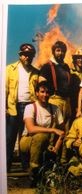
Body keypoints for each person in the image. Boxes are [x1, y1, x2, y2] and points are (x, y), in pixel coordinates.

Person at [19, 81, 65, 186]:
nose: (45, 95)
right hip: (27, 141)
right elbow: (30, 129)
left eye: (47, 92)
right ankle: (33, 171)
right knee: (41, 136)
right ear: (36, 93)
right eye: (42, 92)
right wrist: (53, 130)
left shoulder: (55, 108)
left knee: (43, 140)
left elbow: (62, 132)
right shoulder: (30, 107)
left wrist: (56, 148)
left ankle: (45, 175)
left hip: (45, 143)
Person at [6, 43, 39, 172]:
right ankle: (6, 166)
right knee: (10, 137)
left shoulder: (35, 72)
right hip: (13, 107)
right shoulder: (9, 69)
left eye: (30, 55)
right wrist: (3, 108)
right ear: (20, 55)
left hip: (29, 107)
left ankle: (25, 165)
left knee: (26, 137)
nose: (27, 57)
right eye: (25, 55)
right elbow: (4, 89)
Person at [38, 40, 71, 163]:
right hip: (54, 99)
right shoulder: (47, 66)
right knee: (53, 131)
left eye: (63, 51)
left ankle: (62, 160)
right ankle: (49, 160)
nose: (61, 53)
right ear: (54, 51)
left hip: (66, 101)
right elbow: (41, 84)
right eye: (58, 50)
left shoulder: (66, 67)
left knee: (65, 131)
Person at [69, 47, 82, 124]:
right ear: (75, 59)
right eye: (78, 58)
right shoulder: (70, 72)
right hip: (72, 103)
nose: (80, 60)